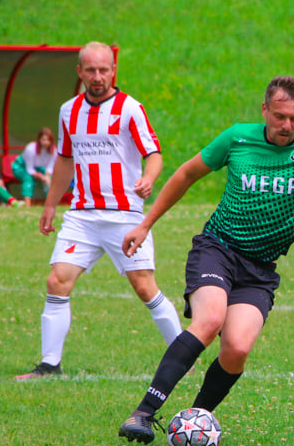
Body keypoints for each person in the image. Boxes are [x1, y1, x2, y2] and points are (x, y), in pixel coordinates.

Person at [118, 66, 294, 444]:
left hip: (260, 268)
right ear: (264, 109)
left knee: (237, 349)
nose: (286, 124)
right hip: (218, 249)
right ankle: (143, 413)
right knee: (210, 321)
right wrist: (145, 224)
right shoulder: (237, 138)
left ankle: (195, 421)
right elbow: (185, 174)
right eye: (279, 116)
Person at [14, 41, 182, 380]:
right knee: (57, 281)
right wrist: (49, 205)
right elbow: (64, 159)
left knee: (144, 285)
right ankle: (49, 366)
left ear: (113, 71)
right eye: (90, 70)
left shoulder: (130, 108)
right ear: (80, 72)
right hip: (82, 216)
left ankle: (183, 355)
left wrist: (148, 179)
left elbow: (154, 153)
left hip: (124, 215)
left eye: (103, 70)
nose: (97, 76)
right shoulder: (68, 111)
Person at [10, 127, 56, 207]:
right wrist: (41, 176)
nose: (46, 142)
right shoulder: (31, 149)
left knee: (50, 179)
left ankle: (50, 204)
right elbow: (29, 169)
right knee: (28, 178)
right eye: (44, 140)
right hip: (21, 167)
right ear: (39, 140)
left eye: (48, 140)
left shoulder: (54, 151)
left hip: (37, 168)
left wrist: (47, 176)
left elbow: (50, 167)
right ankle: (28, 205)